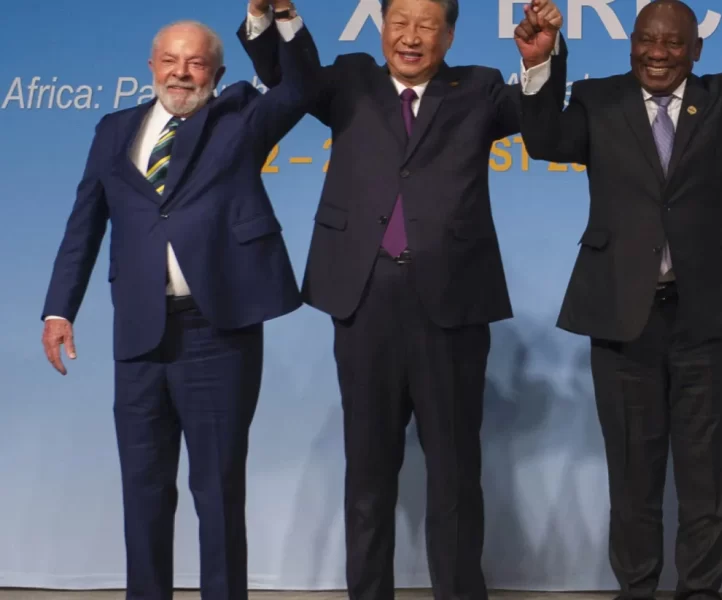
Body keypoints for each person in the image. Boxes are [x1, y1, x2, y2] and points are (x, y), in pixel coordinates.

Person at [235, 0, 561, 598]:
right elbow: (289, 78)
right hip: (364, 300)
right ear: (382, 27)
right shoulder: (350, 80)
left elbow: (540, 128)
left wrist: (539, 63)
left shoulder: (478, 88)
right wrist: (274, 14)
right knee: (367, 476)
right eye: (399, 23)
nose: (411, 37)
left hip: (452, 304)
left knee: (455, 476)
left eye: (426, 25)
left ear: (449, 35)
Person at [511, 1, 722, 598]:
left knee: (708, 479)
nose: (657, 53)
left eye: (672, 43)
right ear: (631, 43)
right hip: (623, 316)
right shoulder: (599, 100)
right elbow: (543, 141)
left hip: (709, 316)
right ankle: (636, 589)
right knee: (632, 477)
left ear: (696, 50)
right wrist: (540, 66)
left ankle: (701, 591)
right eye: (646, 40)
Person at [38, 2, 317, 598]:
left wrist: (278, 17)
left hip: (216, 332)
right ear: (151, 66)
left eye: (195, 63)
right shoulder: (113, 130)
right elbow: (84, 225)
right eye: (170, 60)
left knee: (217, 491)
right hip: (139, 332)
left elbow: (301, 89)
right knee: (142, 488)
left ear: (217, 72)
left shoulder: (239, 118)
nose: (181, 73)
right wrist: (60, 309)